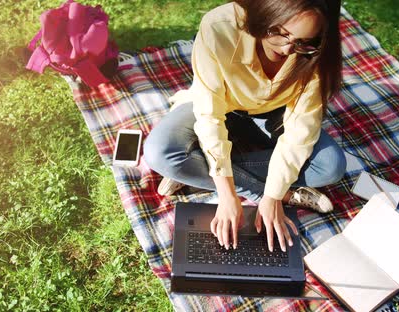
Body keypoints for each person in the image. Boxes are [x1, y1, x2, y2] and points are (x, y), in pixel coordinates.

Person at [144, 0, 345, 254]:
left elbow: (300, 133)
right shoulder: (219, 27)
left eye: (302, 42)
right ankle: (280, 192)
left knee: (330, 166)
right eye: (280, 32)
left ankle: (194, 169)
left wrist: (271, 196)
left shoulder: (316, 52)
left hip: (272, 115)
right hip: (219, 106)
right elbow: (209, 116)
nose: (286, 49)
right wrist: (236, 195)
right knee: (159, 153)